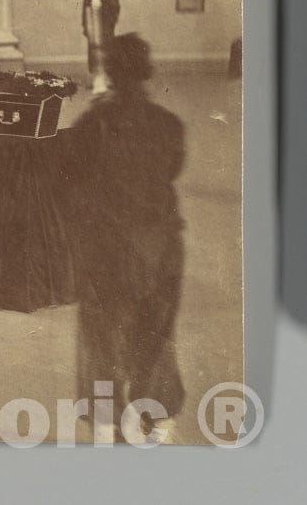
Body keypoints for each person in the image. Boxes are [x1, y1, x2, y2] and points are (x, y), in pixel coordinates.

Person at [72, 34, 186, 445]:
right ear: (148, 72)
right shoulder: (169, 124)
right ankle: (149, 411)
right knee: (154, 329)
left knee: (102, 330)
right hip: (160, 243)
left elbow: (73, 176)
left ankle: (111, 418)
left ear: (110, 72)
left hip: (107, 242)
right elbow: (172, 170)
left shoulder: (91, 125)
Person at [82, 0, 120, 94]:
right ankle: (96, 80)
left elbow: (115, 6)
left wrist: (111, 22)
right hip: (93, 24)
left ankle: (109, 80)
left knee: (107, 51)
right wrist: (85, 25)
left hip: (105, 26)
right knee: (94, 52)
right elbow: (85, 6)